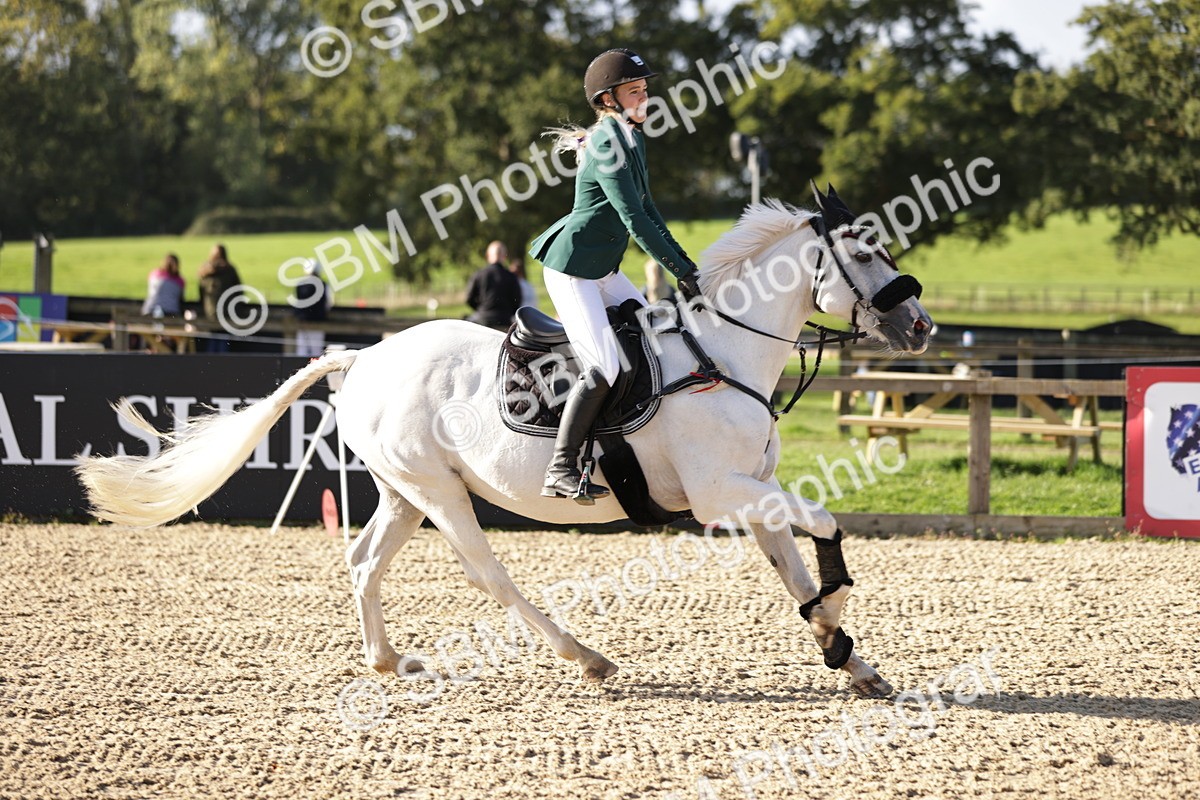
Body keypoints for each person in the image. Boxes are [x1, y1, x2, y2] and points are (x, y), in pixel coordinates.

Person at [530, 48, 700, 502]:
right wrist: (680, 270)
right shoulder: (607, 142)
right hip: (573, 271)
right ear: (608, 99)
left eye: (645, 89)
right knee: (604, 365)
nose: (644, 97)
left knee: (659, 340)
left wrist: (688, 266)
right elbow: (634, 219)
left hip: (604, 270)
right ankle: (560, 467)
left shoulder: (632, 138)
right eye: (634, 91)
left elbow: (650, 209)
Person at [197, 243, 243, 353]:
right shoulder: (230, 269)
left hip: (210, 311)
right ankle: (223, 362)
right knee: (223, 340)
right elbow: (239, 290)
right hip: (226, 311)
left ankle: (209, 362)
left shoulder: (204, 270)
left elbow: (201, 292)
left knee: (212, 339)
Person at [465, 241, 522, 329]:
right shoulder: (511, 277)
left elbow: (469, 298)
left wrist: (482, 310)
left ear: (488, 256)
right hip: (504, 321)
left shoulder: (479, 275)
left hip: (483, 320)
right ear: (504, 256)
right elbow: (517, 301)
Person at [292, 259, 333, 357]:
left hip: (302, 322)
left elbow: (297, 303)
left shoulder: (300, 284)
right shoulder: (324, 285)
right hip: (318, 322)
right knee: (316, 351)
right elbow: (328, 304)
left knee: (302, 349)